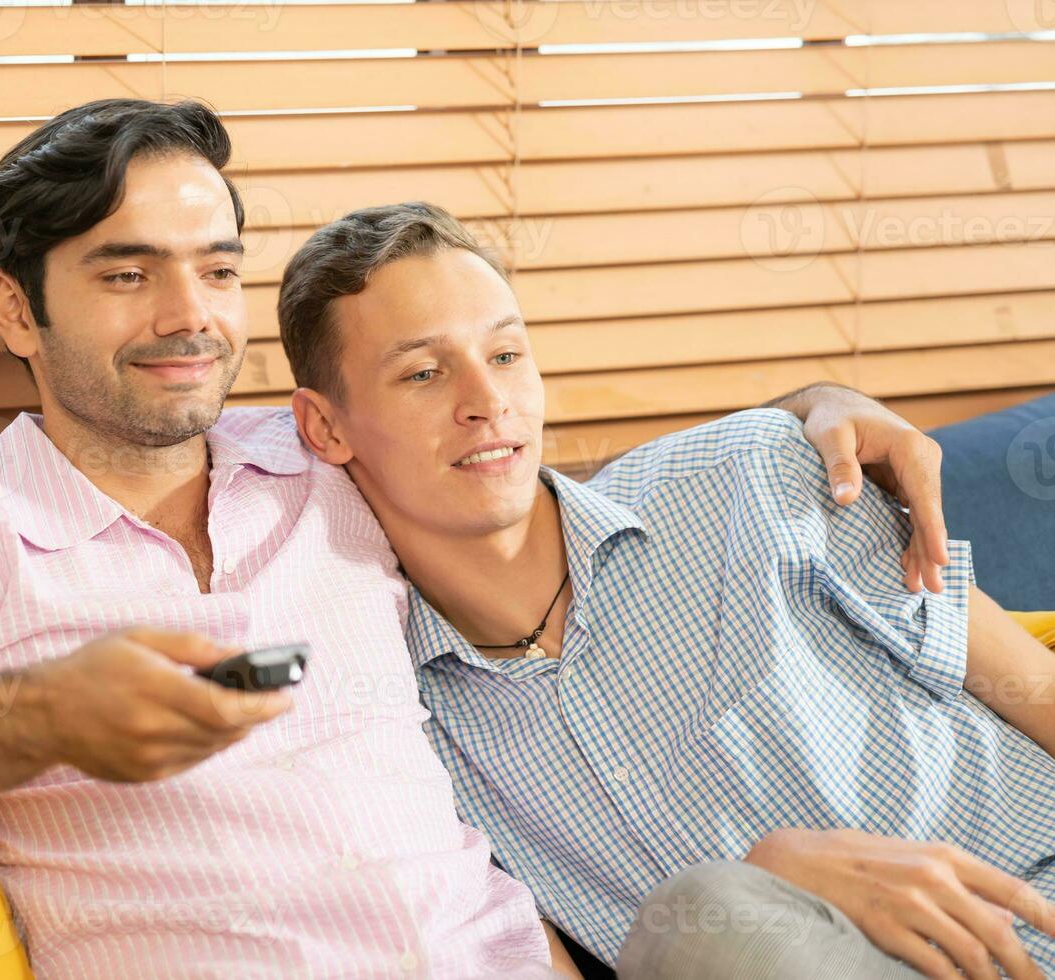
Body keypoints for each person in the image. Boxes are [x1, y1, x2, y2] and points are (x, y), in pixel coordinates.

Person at [0, 99, 946, 978]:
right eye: (125, 272)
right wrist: (29, 723)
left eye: (217, 265)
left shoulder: (324, 459)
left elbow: (545, 480)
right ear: (15, 313)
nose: (190, 314)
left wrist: (804, 411)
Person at [276, 200, 1055, 980]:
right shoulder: (394, 730)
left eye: (507, 355)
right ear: (324, 428)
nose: (487, 401)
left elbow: (1035, 687)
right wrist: (768, 877)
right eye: (423, 372)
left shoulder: (752, 474)